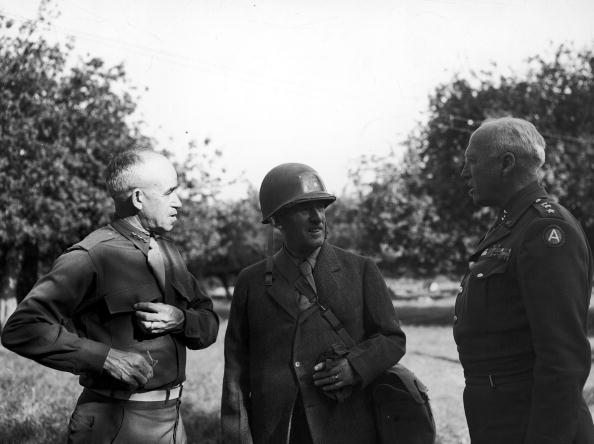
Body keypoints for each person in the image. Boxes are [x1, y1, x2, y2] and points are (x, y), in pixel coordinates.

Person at [1, 149, 219, 443]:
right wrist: (106, 358)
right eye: (169, 192)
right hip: (115, 424)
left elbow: (208, 323)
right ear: (139, 198)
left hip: (172, 420)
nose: (178, 203)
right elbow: (21, 328)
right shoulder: (91, 255)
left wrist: (182, 320)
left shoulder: (171, 253)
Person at [221, 163, 406, 444]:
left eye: (321, 207)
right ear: (277, 220)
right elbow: (236, 372)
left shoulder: (361, 270)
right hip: (277, 432)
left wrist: (354, 366)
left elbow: (392, 339)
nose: (317, 218)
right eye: (303, 209)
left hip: (347, 427)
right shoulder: (251, 282)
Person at [455, 117, 594, 444]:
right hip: (502, 418)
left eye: (471, 161)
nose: (464, 173)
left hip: (531, 423)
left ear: (506, 163)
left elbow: (563, 359)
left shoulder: (543, 231)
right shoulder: (511, 225)